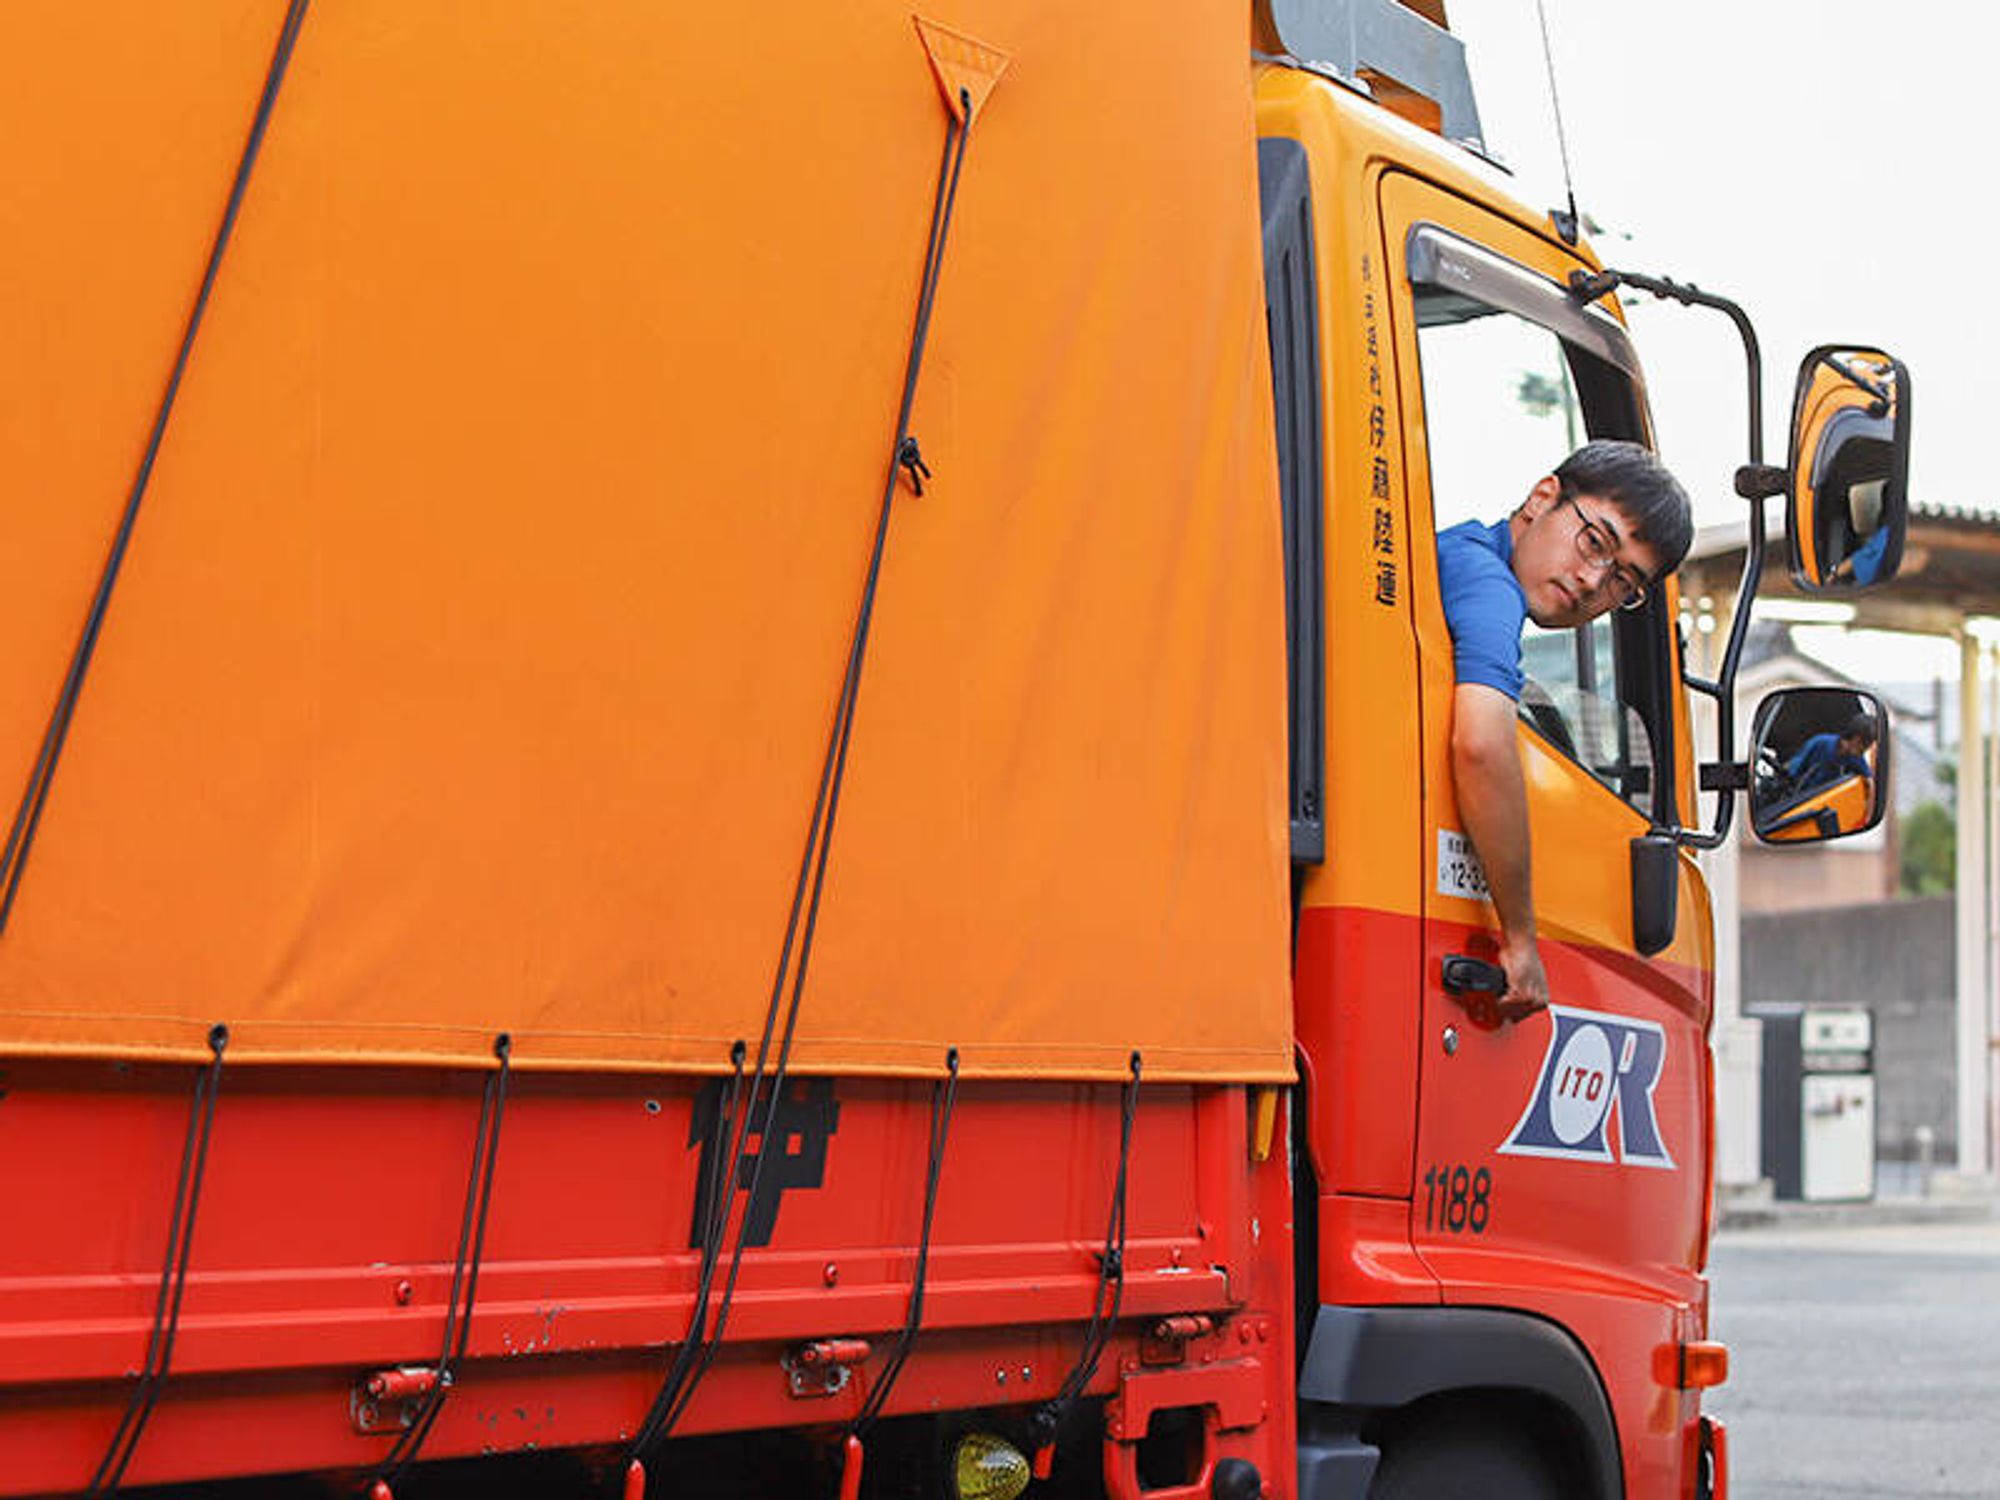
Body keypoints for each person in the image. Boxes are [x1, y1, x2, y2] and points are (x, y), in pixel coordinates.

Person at [1437, 440, 1692, 1020]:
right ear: (1542, 496)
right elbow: (1480, 743)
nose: (1591, 580)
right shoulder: (1488, 585)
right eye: (1596, 542)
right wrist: (1521, 940)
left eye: (1623, 581)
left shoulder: (1460, 560)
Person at [1785, 714, 1876, 794]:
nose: (1867, 748)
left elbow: (1869, 781)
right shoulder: (1819, 743)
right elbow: (1791, 771)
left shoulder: (1855, 758)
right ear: (1857, 738)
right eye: (1866, 744)